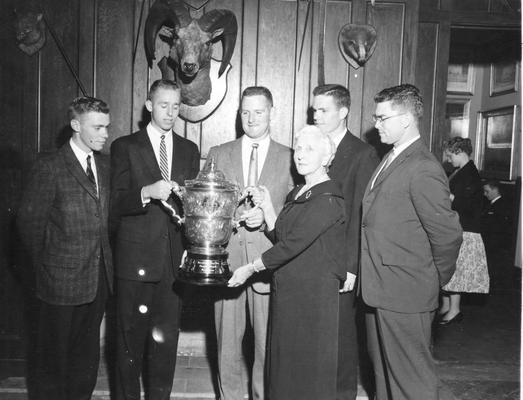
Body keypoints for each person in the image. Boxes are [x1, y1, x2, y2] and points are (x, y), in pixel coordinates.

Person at [229, 125, 347, 400]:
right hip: (290, 294)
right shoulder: (300, 192)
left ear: (327, 157)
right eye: (298, 148)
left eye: (310, 149)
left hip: (312, 300)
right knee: (284, 368)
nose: (300, 155)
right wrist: (268, 205)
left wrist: (250, 267)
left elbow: (293, 245)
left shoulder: (328, 198)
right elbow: (282, 235)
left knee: (306, 372)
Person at [360, 84, 462, 400]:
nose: (376, 125)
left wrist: (432, 280)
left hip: (406, 294)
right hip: (380, 289)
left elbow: (447, 236)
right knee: (385, 380)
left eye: (382, 118)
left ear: (405, 119)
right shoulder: (392, 157)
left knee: (411, 385)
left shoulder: (423, 167)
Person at [17, 96, 113, 400]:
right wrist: (50, 270)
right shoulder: (49, 166)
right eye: (97, 127)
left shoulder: (105, 164)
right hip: (58, 285)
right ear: (75, 125)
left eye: (106, 127)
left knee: (85, 362)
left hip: (97, 281)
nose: (105, 134)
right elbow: (28, 227)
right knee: (52, 364)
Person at [110, 79, 200, 400]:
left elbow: (193, 210)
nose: (170, 113)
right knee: (128, 347)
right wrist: (147, 192)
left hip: (172, 265)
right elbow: (115, 204)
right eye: (163, 105)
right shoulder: (125, 147)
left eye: (176, 107)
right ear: (149, 105)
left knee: (165, 348)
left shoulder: (190, 149)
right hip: (135, 264)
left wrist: (189, 198)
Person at [206, 86, 295, 400]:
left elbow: (298, 212)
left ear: (272, 112)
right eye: (245, 111)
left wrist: (270, 217)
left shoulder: (290, 157)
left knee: (266, 349)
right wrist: (231, 217)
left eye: (258, 111)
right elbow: (207, 206)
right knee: (226, 348)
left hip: (269, 266)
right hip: (227, 264)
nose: (251, 118)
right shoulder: (219, 153)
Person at [312, 84, 380, 399]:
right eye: (314, 110)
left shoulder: (362, 153)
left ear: (343, 112)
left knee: (340, 338)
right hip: (313, 258)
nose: (316, 115)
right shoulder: (312, 145)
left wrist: (351, 266)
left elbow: (360, 213)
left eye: (323, 110)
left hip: (341, 262)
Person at [438, 138, 490, 323]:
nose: (449, 159)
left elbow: (466, 205)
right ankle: (446, 306)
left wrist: (445, 194)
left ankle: (454, 309)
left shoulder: (470, 175)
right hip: (459, 227)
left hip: (465, 229)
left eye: (451, 156)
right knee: (449, 267)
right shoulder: (462, 172)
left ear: (460, 152)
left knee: (456, 270)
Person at [481, 180, 514, 289]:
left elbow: (499, 227)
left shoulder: (502, 205)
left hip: (496, 244)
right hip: (491, 243)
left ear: (495, 190)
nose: (485, 194)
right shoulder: (491, 204)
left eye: (487, 191)